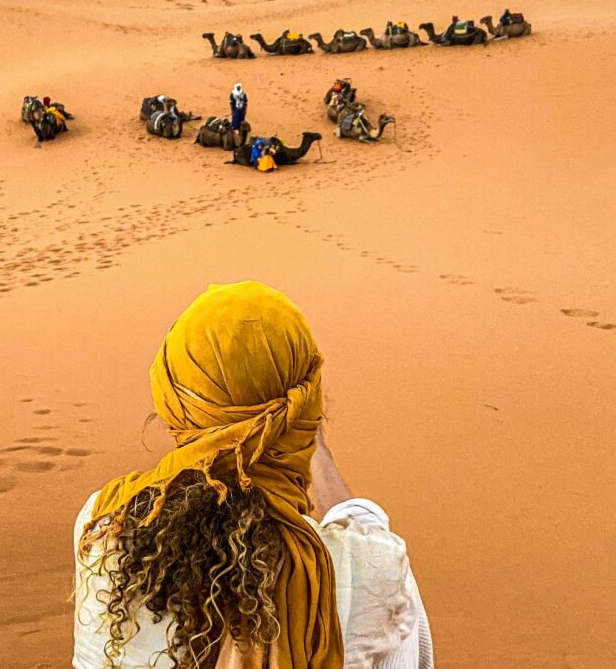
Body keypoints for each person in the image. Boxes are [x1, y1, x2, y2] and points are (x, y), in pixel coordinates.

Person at [73, 281, 434, 668]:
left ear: (173, 404)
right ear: (306, 410)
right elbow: (368, 538)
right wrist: (311, 444)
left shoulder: (105, 525)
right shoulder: (371, 568)